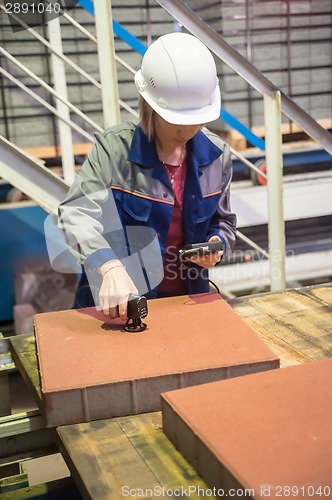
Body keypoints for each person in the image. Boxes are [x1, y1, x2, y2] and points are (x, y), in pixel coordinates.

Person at [58, 32, 237, 322]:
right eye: (177, 118)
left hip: (187, 303)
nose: (188, 129)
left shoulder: (218, 156)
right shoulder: (114, 150)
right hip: (118, 305)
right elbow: (75, 213)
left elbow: (224, 222)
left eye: (196, 118)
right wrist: (109, 267)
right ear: (150, 104)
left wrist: (216, 245)